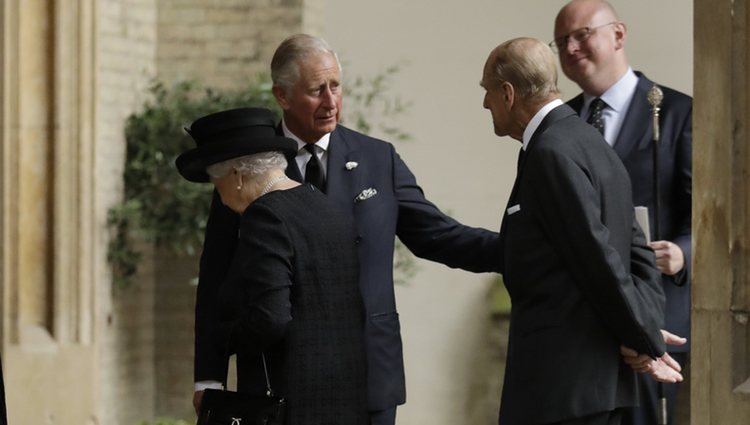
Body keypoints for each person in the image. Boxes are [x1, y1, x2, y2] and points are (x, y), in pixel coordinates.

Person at [193, 34, 502, 425]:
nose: (330, 101)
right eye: (315, 90)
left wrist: (520, 251)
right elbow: (216, 281)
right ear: (282, 96)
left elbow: (438, 235)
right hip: (282, 381)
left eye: (335, 86)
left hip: (370, 369)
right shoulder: (248, 169)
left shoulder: (377, 159)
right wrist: (210, 376)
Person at [480, 37, 684, 425]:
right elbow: (637, 250)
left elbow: (599, 257)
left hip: (560, 390)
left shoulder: (550, 152)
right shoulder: (589, 140)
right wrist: (644, 333)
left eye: (487, 91)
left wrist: (646, 341)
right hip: (593, 387)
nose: (484, 103)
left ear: (508, 93)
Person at [177, 107, 369, 424]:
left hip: (288, 401)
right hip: (343, 400)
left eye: (215, 181)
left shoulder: (264, 215)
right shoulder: (326, 206)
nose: (219, 194)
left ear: (236, 176)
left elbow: (271, 318)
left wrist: (223, 336)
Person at [552, 1, 692, 423]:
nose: (571, 48)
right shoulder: (561, 123)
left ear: (618, 34)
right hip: (582, 321)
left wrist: (684, 252)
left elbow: (711, 214)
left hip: (656, 311)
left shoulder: (678, 113)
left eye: (581, 35)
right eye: (561, 42)